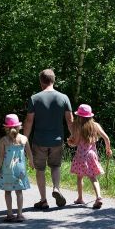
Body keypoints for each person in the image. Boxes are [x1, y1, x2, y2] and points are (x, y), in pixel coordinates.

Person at [24, 69, 73, 209]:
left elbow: (29, 121)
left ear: (41, 82)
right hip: (57, 141)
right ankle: (56, 188)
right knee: (55, 166)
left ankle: (44, 200)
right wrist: (73, 137)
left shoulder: (35, 98)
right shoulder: (64, 97)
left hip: (39, 141)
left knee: (40, 169)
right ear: (54, 80)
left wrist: (24, 139)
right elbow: (70, 120)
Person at [67, 104, 112, 209]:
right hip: (91, 155)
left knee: (79, 176)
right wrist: (108, 149)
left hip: (81, 155)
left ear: (79, 116)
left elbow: (76, 142)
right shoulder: (95, 126)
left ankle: (80, 198)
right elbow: (106, 138)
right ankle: (99, 197)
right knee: (93, 177)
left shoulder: (78, 127)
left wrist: (70, 143)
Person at [0, 114, 34, 222]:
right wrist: (31, 163)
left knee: (8, 191)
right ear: (19, 127)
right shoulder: (24, 139)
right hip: (20, 169)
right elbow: (29, 154)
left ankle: (9, 214)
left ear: (6, 128)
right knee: (19, 191)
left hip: (8, 169)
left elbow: (1, 156)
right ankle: (20, 215)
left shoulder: (3, 140)